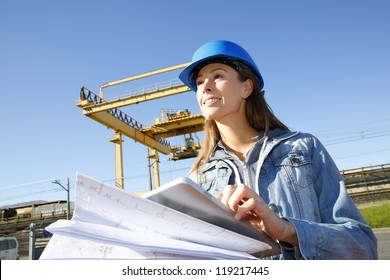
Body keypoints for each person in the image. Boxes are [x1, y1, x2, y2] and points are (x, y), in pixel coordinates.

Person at [178, 40, 378, 260]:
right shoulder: (197, 176)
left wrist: (286, 231)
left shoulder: (303, 148)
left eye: (218, 76)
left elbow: (362, 246)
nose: (205, 87)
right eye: (198, 82)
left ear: (246, 87)